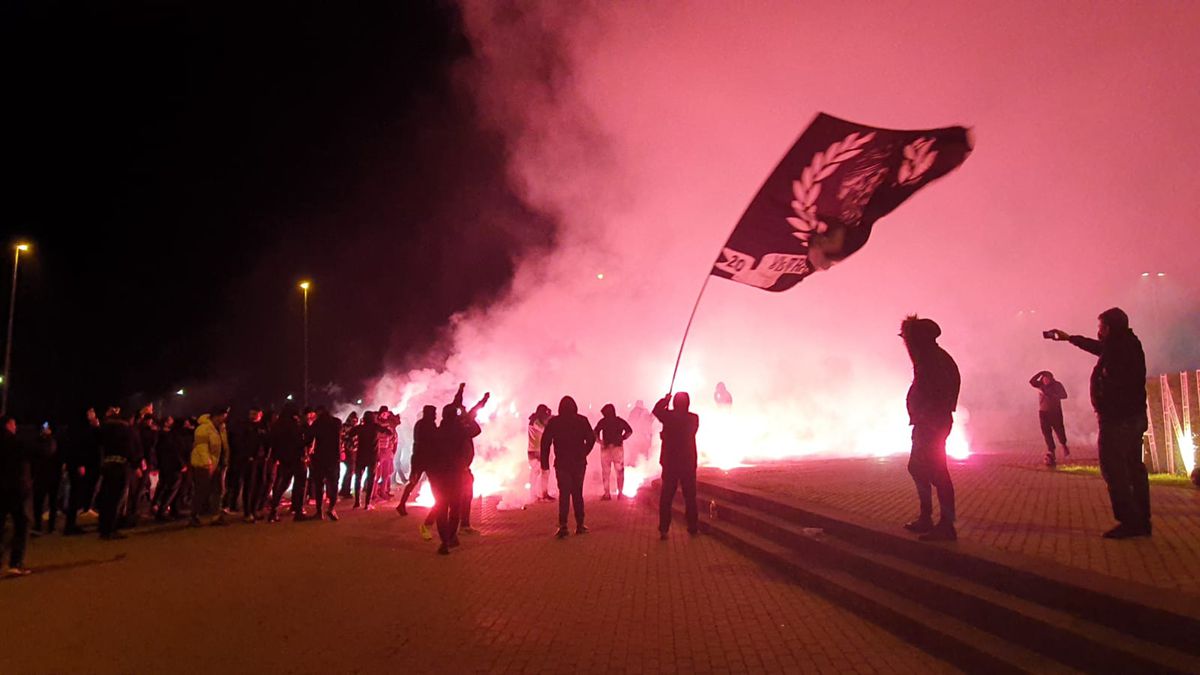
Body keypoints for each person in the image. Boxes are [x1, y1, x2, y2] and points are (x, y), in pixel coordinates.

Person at [1049, 307, 1150, 539]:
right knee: (1134, 468)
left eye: (1101, 327)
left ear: (1110, 328)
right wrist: (1069, 338)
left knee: (1115, 470)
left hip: (1118, 421)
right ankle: (1142, 520)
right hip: (1131, 418)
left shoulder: (1119, 351)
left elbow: (1115, 385)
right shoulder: (1127, 344)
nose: (1098, 331)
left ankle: (1129, 521)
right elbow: (1099, 348)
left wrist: (1105, 408)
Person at [900, 316, 961, 543]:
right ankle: (929, 517)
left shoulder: (933, 360)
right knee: (919, 469)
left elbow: (940, 393)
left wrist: (926, 417)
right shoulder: (932, 357)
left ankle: (946, 524)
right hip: (929, 422)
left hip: (932, 424)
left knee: (936, 472)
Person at [540, 396, 595, 539]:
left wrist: (544, 463)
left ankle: (563, 526)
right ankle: (580, 524)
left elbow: (545, 443)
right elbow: (591, 438)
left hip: (562, 464)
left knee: (564, 495)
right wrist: (584, 452)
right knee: (577, 494)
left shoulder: (555, 422)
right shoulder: (582, 421)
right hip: (578, 463)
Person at [654, 392, 700, 539]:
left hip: (670, 462)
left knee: (666, 497)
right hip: (687, 462)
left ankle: (664, 529)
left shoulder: (668, 417)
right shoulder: (693, 418)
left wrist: (665, 400)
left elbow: (656, 410)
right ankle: (693, 527)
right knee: (690, 497)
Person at [97, 407, 139, 540]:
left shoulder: (105, 429)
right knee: (116, 499)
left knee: (106, 497)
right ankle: (111, 529)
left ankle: (103, 528)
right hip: (120, 465)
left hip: (107, 464)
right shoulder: (125, 430)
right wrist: (135, 463)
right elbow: (130, 448)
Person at [1, 417, 34, 576]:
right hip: (16, 488)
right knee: (21, 524)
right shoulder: (15, 442)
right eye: (14, 423)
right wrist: (46, 438)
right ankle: (15, 562)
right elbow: (43, 451)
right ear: (8, 425)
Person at [62, 408, 102, 535]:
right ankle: (70, 526)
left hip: (81, 464)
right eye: (91, 412)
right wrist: (79, 464)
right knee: (75, 494)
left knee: (78, 494)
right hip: (78, 466)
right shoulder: (79, 429)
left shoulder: (83, 428)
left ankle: (71, 523)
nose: (93, 414)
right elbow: (78, 446)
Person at [189, 407, 229, 527]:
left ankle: (216, 515)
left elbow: (224, 447)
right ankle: (193, 516)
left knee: (218, 490)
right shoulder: (203, 429)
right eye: (223, 416)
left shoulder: (221, 429)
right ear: (216, 416)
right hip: (203, 465)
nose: (224, 419)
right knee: (201, 491)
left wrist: (225, 462)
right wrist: (208, 463)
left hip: (218, 464)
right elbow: (202, 448)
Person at [268, 405, 309, 522]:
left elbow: (273, 442)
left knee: (283, 484)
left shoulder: (277, 425)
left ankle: (273, 511)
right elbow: (300, 441)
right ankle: (298, 511)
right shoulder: (294, 425)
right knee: (300, 485)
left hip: (283, 459)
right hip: (296, 458)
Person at [229, 407, 269, 522]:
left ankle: (254, 509)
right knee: (249, 485)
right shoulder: (244, 426)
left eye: (255, 413)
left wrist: (266, 454)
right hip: (249, 460)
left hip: (262, 459)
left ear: (260, 414)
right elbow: (239, 442)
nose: (252, 415)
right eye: (251, 413)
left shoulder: (263, 426)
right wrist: (247, 456)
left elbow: (267, 441)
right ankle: (247, 512)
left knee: (261, 483)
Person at [399, 405, 437, 515]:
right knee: (433, 481)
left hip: (418, 457)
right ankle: (438, 504)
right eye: (434, 413)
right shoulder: (428, 424)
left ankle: (402, 504)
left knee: (414, 481)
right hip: (424, 457)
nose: (435, 416)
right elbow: (432, 440)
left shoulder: (420, 423)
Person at [308, 406, 342, 521]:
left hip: (320, 458)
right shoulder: (337, 422)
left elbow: (309, 438)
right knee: (334, 484)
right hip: (333, 458)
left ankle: (319, 512)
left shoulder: (316, 424)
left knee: (319, 485)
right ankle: (331, 508)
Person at [1030, 371, 1070, 466]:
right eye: (1043, 379)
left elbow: (1064, 395)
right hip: (1043, 413)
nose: (1045, 381)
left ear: (1051, 379)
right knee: (1046, 432)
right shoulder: (1040, 385)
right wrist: (1040, 373)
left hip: (1055, 412)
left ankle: (1063, 444)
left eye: (1047, 379)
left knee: (1059, 430)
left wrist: (1052, 395)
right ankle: (1051, 451)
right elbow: (1031, 381)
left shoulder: (1057, 385)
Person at [593, 404, 633, 501]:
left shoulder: (603, 421)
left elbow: (595, 432)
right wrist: (622, 438)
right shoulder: (619, 421)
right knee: (619, 472)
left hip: (606, 449)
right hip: (618, 449)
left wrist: (599, 441)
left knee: (606, 472)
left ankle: (607, 494)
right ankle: (620, 493)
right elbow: (629, 431)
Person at [153, 416, 188, 521]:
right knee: (172, 488)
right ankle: (162, 511)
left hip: (166, 465)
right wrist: (181, 464)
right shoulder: (170, 436)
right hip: (172, 466)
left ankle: (174, 510)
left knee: (171, 488)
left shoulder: (164, 435)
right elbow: (175, 452)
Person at [31, 423, 62, 534]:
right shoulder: (38, 442)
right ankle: (39, 525)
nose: (45, 429)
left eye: (47, 427)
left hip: (52, 475)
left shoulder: (53, 441)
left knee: (52, 502)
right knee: (38, 502)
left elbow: (51, 453)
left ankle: (51, 526)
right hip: (42, 475)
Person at [351, 411, 382, 510]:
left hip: (361, 456)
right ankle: (367, 503)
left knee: (358, 479)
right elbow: (388, 432)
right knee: (370, 479)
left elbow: (350, 433)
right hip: (372, 457)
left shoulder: (360, 428)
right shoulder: (376, 427)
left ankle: (357, 502)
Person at [526, 405, 553, 503]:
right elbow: (544, 430)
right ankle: (537, 495)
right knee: (538, 473)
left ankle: (543, 494)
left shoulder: (534, 420)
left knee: (542, 473)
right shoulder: (535, 421)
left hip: (536, 451)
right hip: (535, 451)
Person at [376, 407, 400, 501]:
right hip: (379, 451)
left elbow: (394, 439)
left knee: (386, 474)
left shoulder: (390, 427)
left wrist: (392, 451)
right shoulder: (377, 425)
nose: (385, 416)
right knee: (377, 475)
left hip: (388, 452)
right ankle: (373, 494)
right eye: (384, 414)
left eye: (386, 414)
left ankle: (383, 491)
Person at [338, 411, 359, 498]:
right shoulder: (345, 427)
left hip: (353, 451)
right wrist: (342, 451)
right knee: (350, 470)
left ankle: (345, 489)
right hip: (347, 451)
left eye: (355, 420)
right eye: (353, 419)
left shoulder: (356, 427)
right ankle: (345, 490)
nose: (355, 421)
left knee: (351, 471)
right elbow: (341, 440)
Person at [627, 400, 654, 467]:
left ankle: (634, 467)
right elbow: (649, 421)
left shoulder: (633, 412)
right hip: (643, 436)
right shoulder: (644, 411)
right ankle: (644, 467)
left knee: (635, 454)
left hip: (637, 436)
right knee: (643, 454)